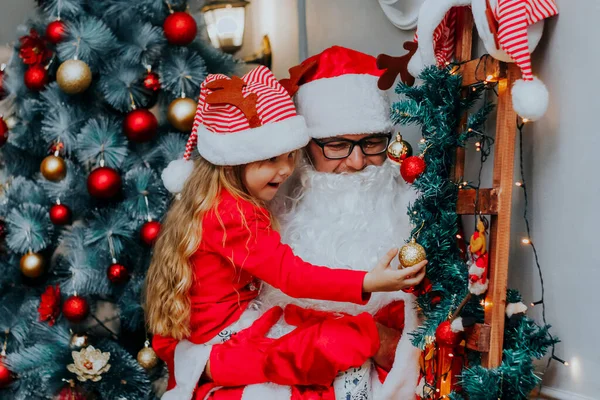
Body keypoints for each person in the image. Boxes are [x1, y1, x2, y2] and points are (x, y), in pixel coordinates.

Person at [144, 65, 427, 400]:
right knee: (339, 340)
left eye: (290, 156)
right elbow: (290, 276)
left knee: (332, 328)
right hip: (223, 348)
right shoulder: (231, 215)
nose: (285, 169)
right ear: (234, 161)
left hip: (236, 328)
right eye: (271, 160)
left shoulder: (223, 201)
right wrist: (367, 282)